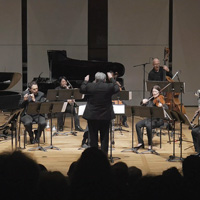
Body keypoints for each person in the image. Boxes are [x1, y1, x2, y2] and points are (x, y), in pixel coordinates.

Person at [80, 72, 120, 154]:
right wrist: (111, 78)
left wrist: (85, 81)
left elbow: (82, 89)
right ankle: (104, 156)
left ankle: (94, 156)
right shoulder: (108, 86)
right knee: (104, 137)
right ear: (105, 80)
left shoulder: (90, 86)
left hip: (92, 116)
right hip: (105, 116)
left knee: (93, 138)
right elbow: (117, 88)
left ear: (95, 79)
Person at [134, 85, 168, 150]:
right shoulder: (150, 99)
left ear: (159, 92)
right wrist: (143, 102)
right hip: (149, 119)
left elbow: (166, 108)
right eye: (153, 91)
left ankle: (150, 144)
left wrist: (162, 106)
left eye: (155, 91)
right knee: (137, 124)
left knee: (148, 125)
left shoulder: (161, 99)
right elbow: (142, 106)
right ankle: (140, 143)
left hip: (158, 120)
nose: (154, 93)